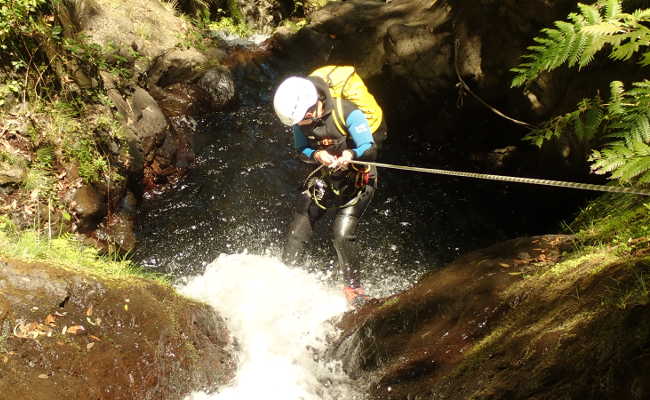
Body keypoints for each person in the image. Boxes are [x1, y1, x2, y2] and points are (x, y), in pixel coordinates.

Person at [273, 72, 387, 307]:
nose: (300, 126)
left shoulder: (347, 113)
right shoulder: (299, 121)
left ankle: (354, 288)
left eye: (302, 120)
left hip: (358, 180)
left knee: (341, 234)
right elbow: (301, 150)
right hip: (326, 178)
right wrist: (316, 154)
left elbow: (369, 148)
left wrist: (350, 154)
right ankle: (284, 276)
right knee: (299, 227)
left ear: (313, 106)